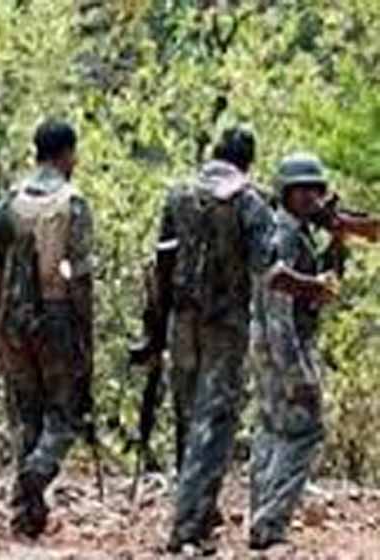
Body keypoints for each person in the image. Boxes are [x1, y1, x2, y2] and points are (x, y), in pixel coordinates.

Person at [160, 128, 335, 553]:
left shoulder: (180, 193)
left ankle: (200, 515)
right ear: (248, 162)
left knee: (191, 419)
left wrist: (153, 330)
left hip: (181, 320)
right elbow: (270, 274)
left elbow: (162, 263)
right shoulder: (247, 201)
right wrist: (313, 286)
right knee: (215, 423)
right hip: (224, 326)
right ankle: (188, 526)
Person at [0, 119, 94, 539]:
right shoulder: (73, 202)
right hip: (56, 315)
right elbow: (81, 275)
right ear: (67, 153)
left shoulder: (10, 200)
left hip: (12, 317)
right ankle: (37, 472)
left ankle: (26, 514)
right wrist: (85, 330)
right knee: (65, 412)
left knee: (27, 414)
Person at [249, 152, 342, 550]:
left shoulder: (288, 231)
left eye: (314, 190)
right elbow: (279, 310)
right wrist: (296, 372)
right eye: (300, 190)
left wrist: (337, 235)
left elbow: (326, 285)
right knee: (304, 431)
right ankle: (270, 521)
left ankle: (262, 518)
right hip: (282, 345)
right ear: (285, 193)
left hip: (267, 345)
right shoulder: (285, 236)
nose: (309, 197)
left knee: (272, 429)